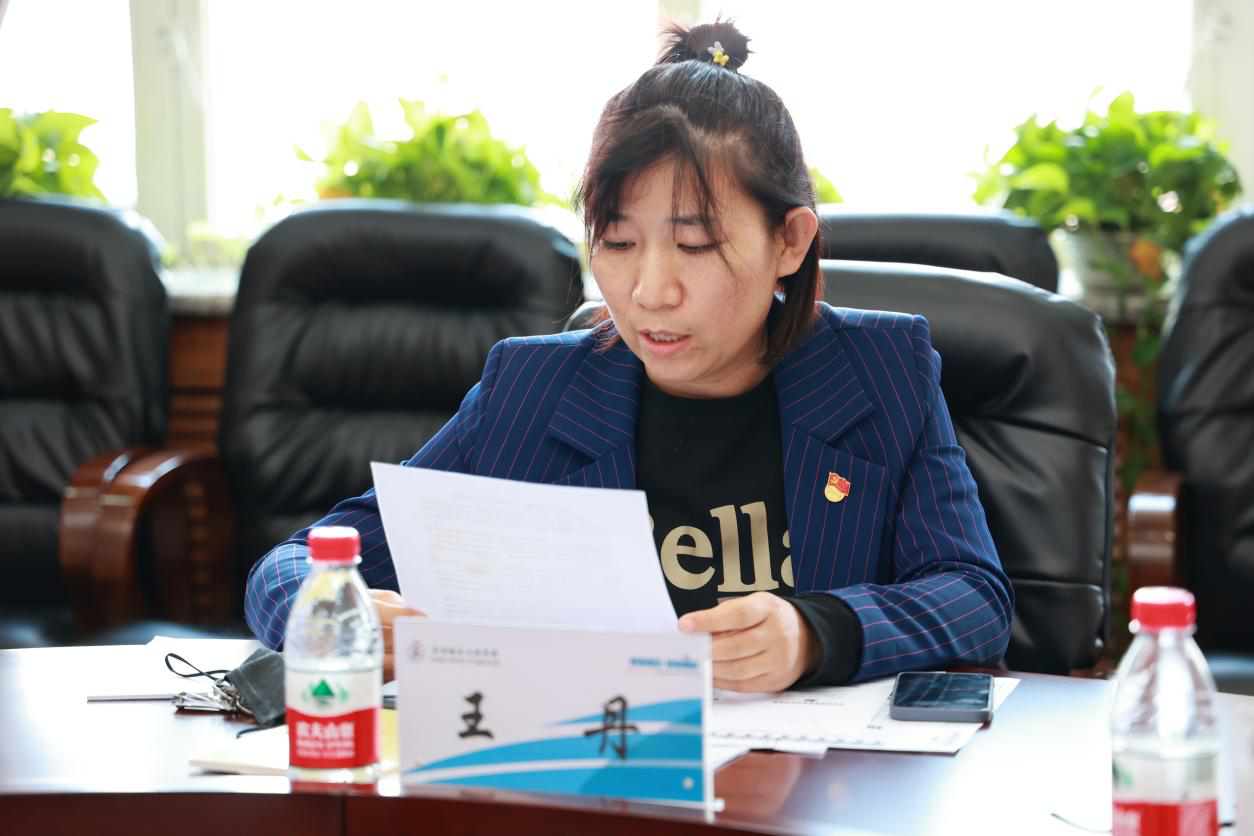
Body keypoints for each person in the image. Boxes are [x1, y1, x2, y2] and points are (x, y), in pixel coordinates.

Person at [245, 20, 1013, 691]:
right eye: (616, 243)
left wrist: (818, 634)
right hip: (594, 773)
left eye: (695, 245)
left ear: (790, 240)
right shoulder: (532, 390)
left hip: (811, 784)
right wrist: (326, 611)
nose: (649, 291)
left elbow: (974, 596)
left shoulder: (881, 372)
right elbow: (293, 566)